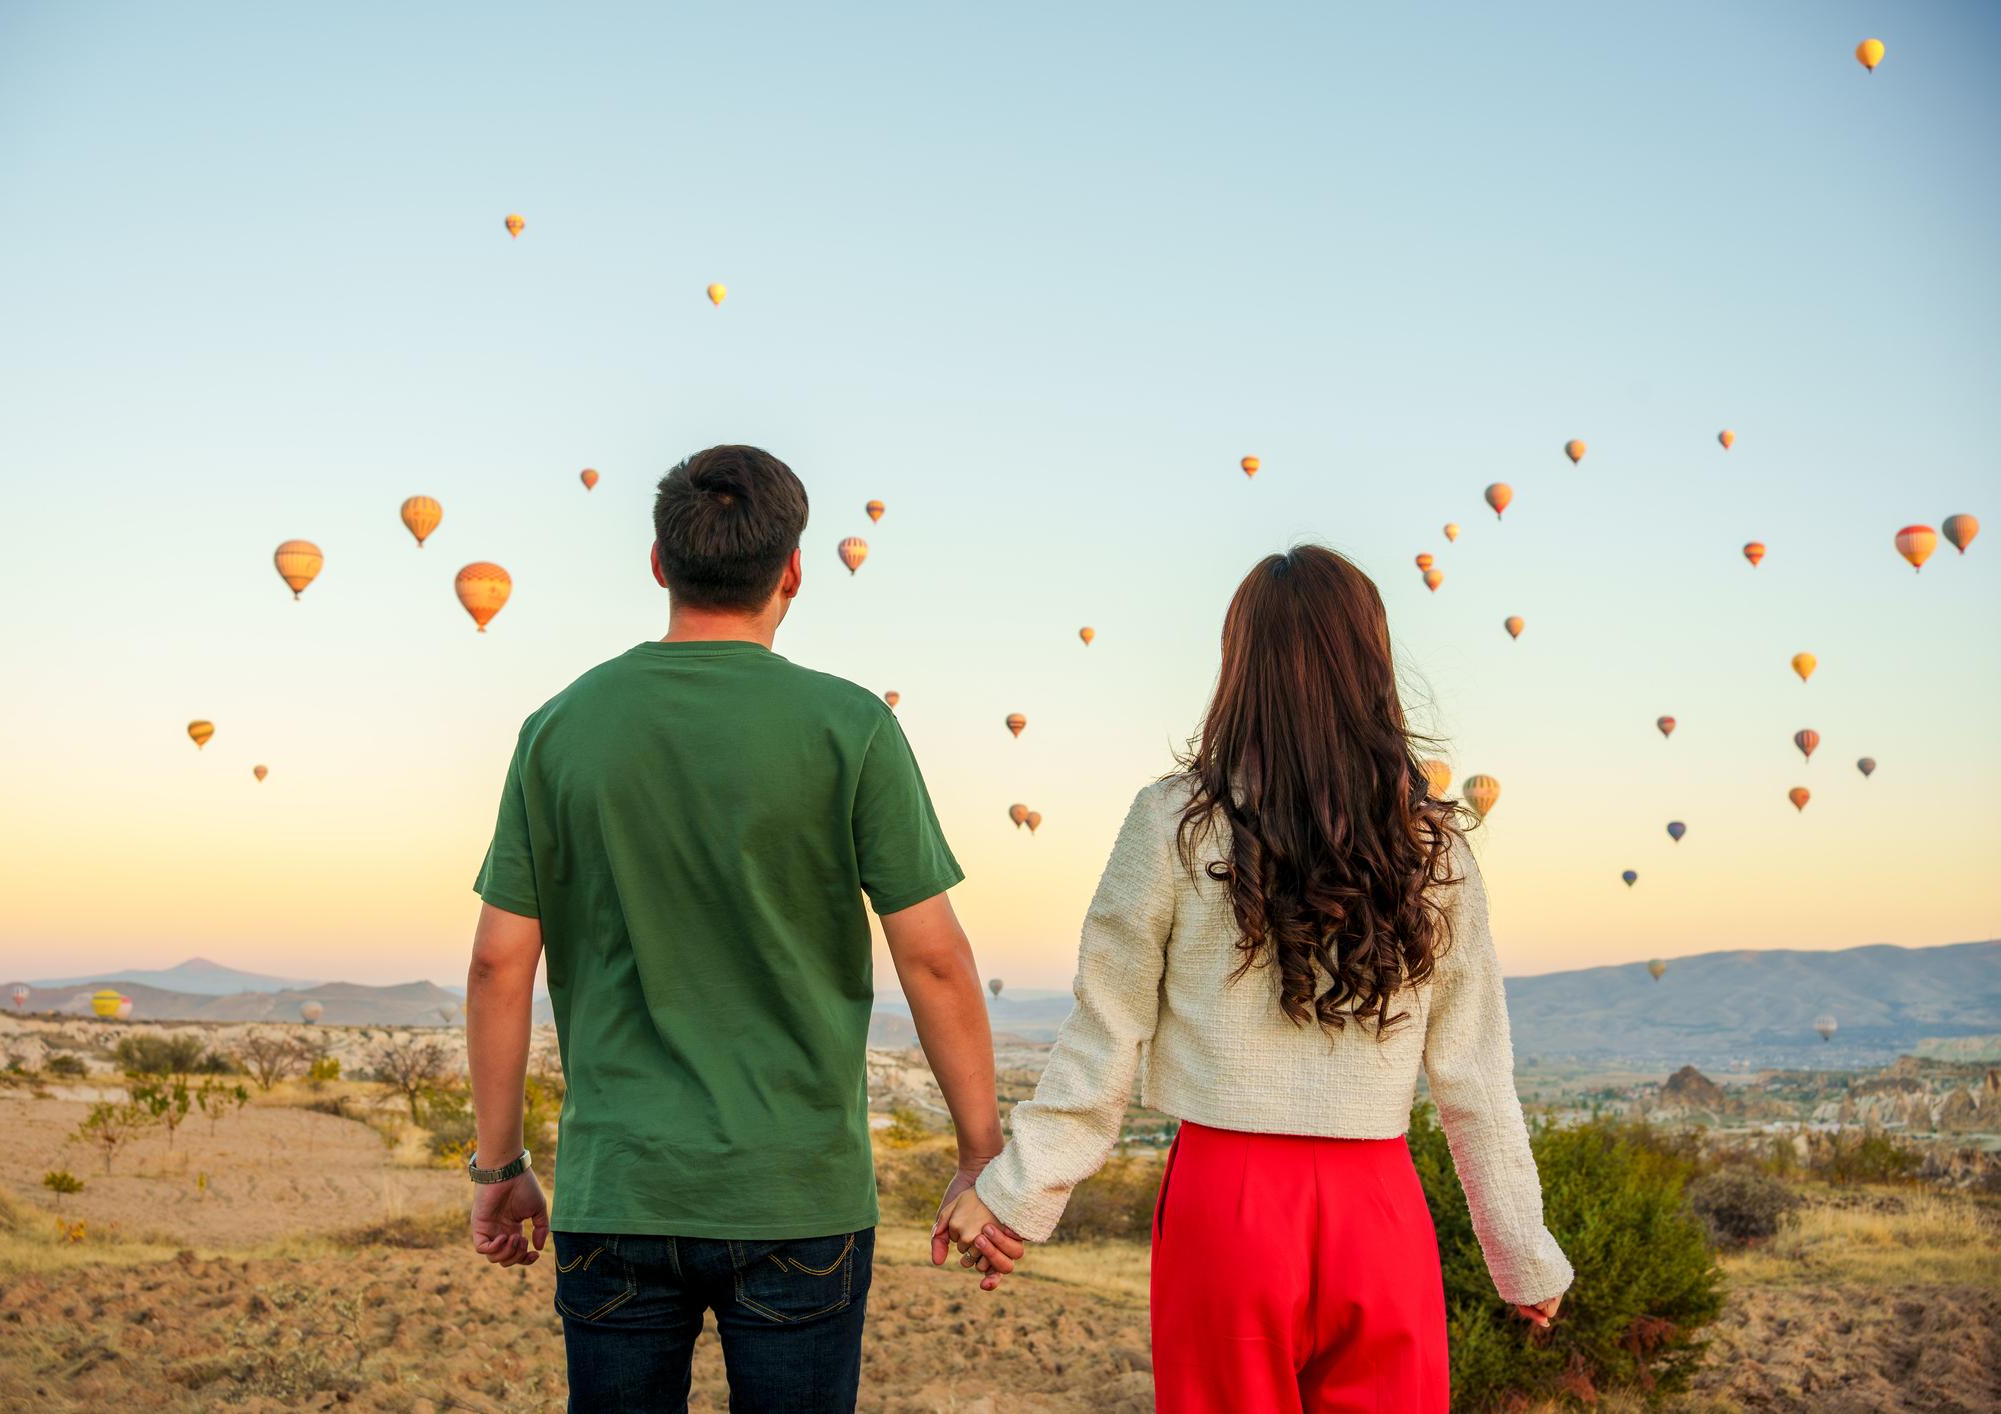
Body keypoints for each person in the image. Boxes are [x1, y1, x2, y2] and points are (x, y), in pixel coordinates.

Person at [938, 545, 1575, 1411]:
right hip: (1379, 1210)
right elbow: (1473, 1073)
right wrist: (1520, 1250)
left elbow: (1105, 1030)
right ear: (1373, 663)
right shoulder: (1435, 849)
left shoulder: (1171, 820)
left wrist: (1012, 1196)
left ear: (1239, 664)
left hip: (1225, 1206)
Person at [464, 444, 1016, 1413]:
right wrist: (980, 1152)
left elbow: (497, 963)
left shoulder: (558, 728)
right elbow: (933, 960)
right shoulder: (852, 728)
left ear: (657, 561)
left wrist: (501, 1165)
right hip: (796, 1198)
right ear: (794, 569)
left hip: (618, 1189)